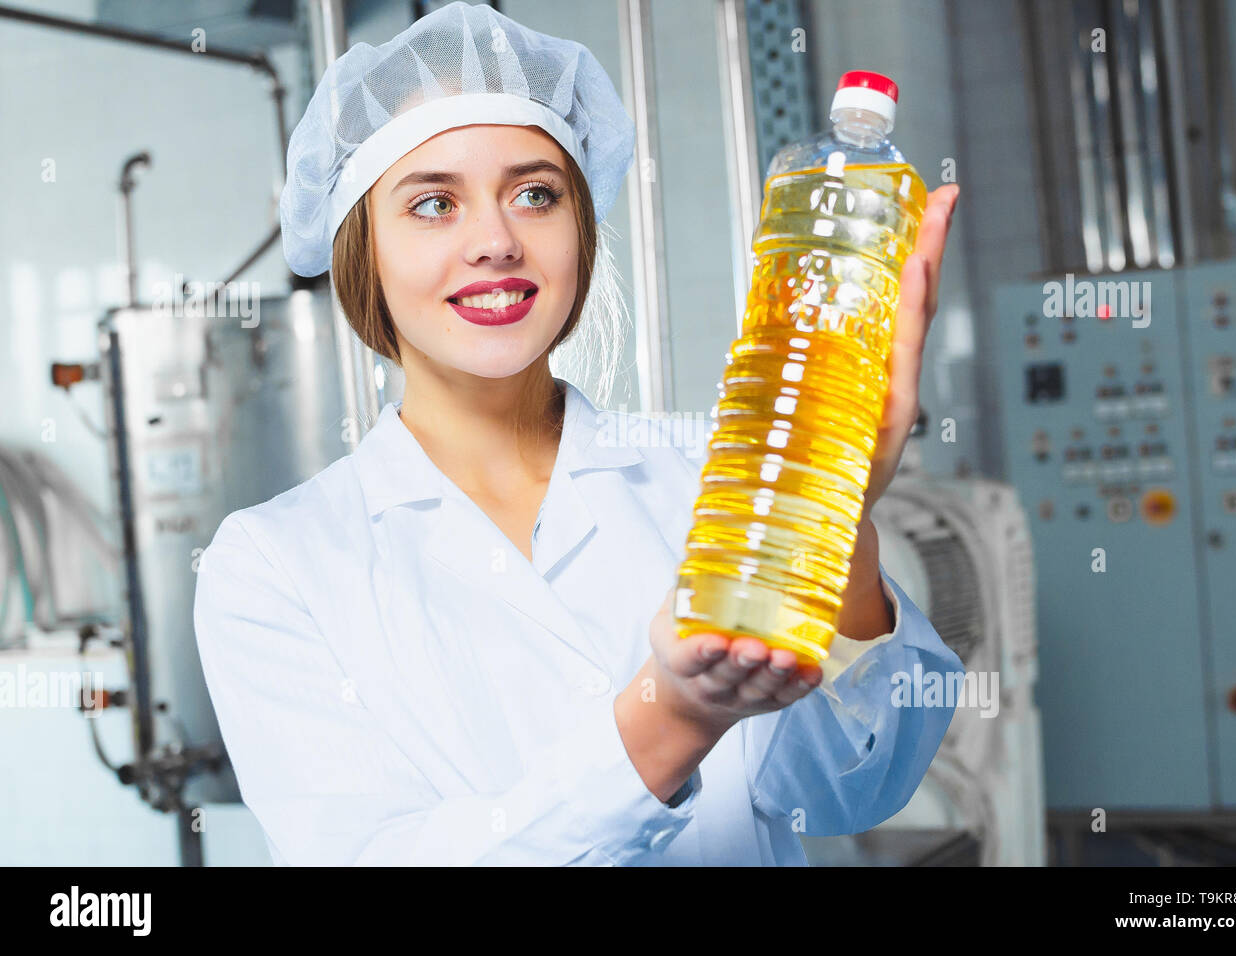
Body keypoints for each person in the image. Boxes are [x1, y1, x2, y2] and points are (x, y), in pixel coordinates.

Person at [193, 0, 964, 866]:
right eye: (433, 204)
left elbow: (851, 791)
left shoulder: (718, 471)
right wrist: (671, 715)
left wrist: (839, 507)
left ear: (581, 228)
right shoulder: (273, 565)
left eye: (534, 194)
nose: (495, 240)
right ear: (361, 250)